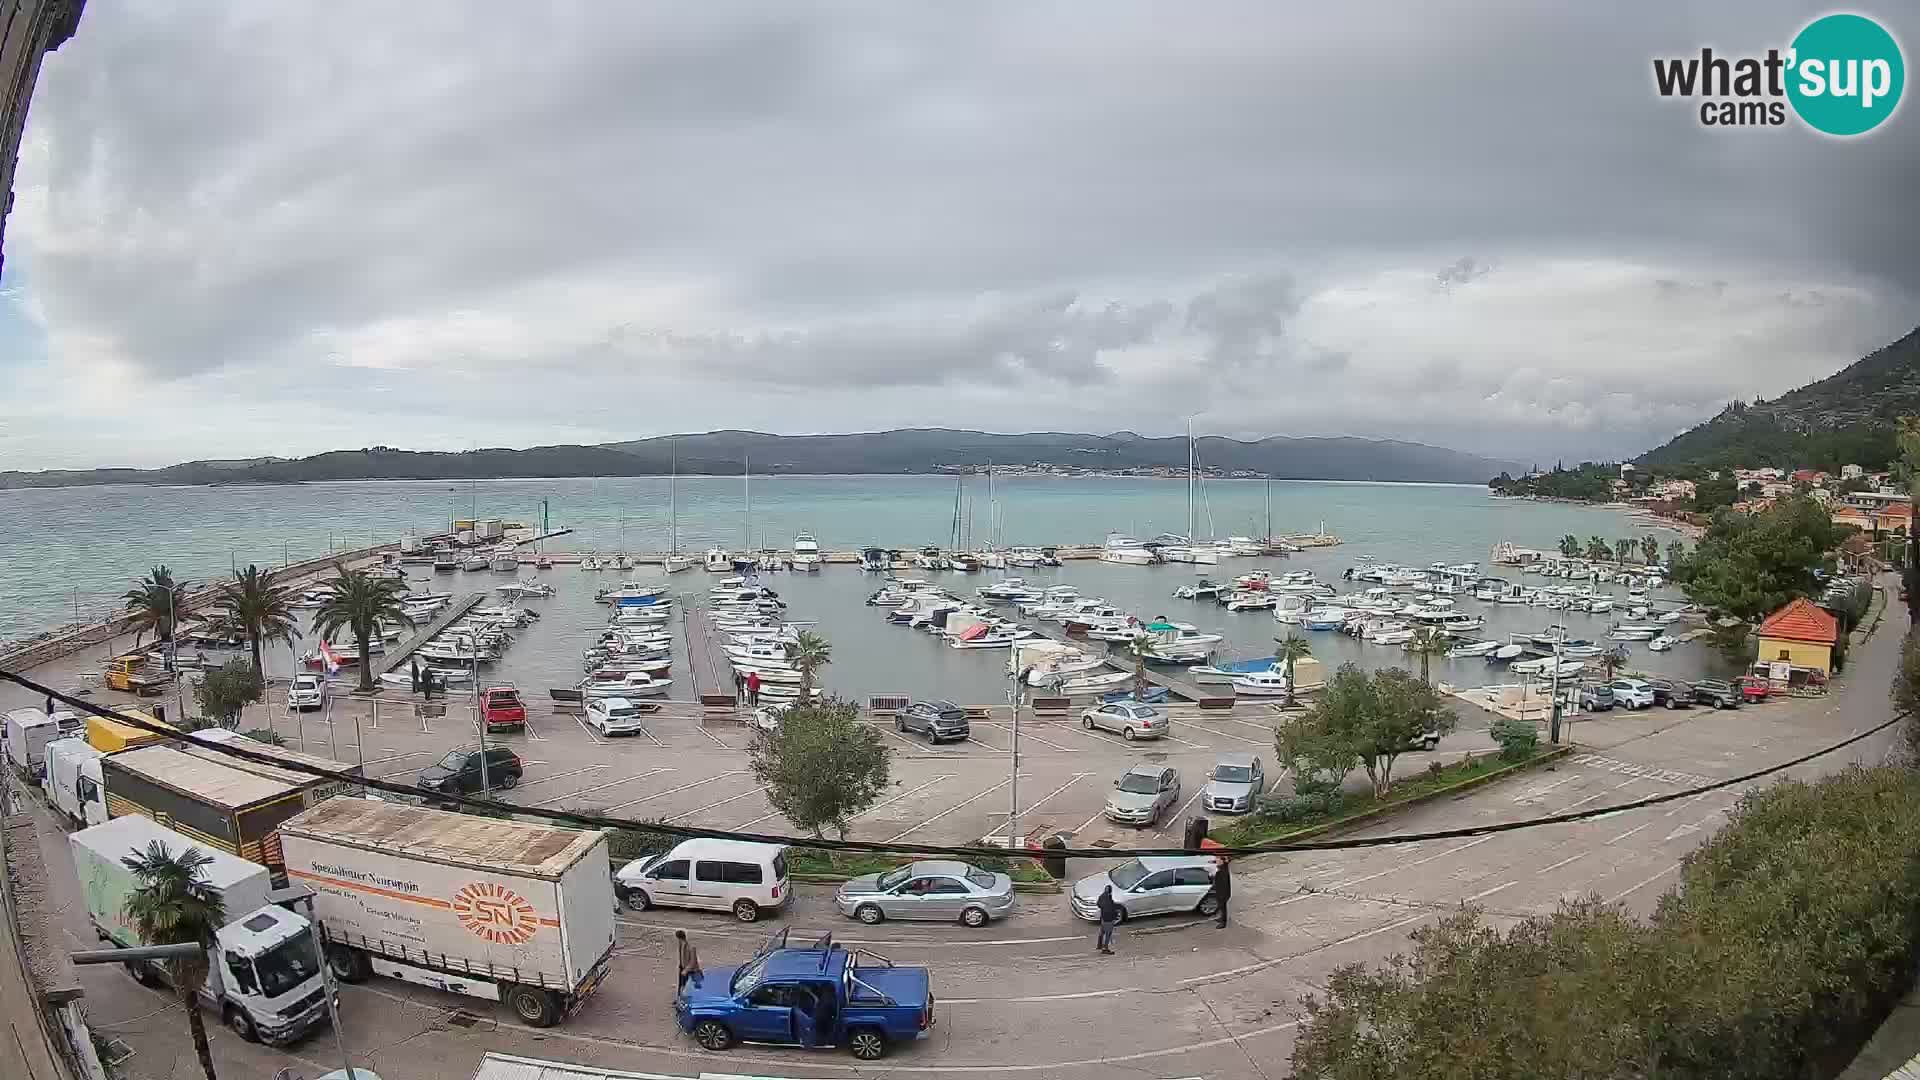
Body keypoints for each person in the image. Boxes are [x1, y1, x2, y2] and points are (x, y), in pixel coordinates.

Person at [674, 930, 702, 996]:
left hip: (690, 971)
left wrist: (686, 970)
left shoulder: (691, 947)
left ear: (680, 938)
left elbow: (693, 961)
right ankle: (679, 998)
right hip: (683, 968)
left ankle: (685, 999)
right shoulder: (681, 945)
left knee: (688, 987)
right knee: (681, 985)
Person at [1095, 884, 1120, 955]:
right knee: (1108, 934)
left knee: (1102, 932)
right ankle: (1105, 949)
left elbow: (1098, 904)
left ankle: (1099, 945)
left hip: (1103, 918)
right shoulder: (1108, 900)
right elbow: (1110, 910)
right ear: (1110, 891)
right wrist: (1115, 916)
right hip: (1108, 919)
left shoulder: (1102, 896)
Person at [1211, 858, 1232, 929]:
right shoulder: (1221, 869)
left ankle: (1223, 922)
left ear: (1222, 861)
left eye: (1218, 860)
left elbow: (1225, 883)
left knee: (1223, 907)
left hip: (1223, 893)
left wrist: (1223, 894)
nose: (1216, 862)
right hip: (1219, 891)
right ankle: (1221, 918)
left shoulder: (1224, 870)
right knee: (1221, 907)